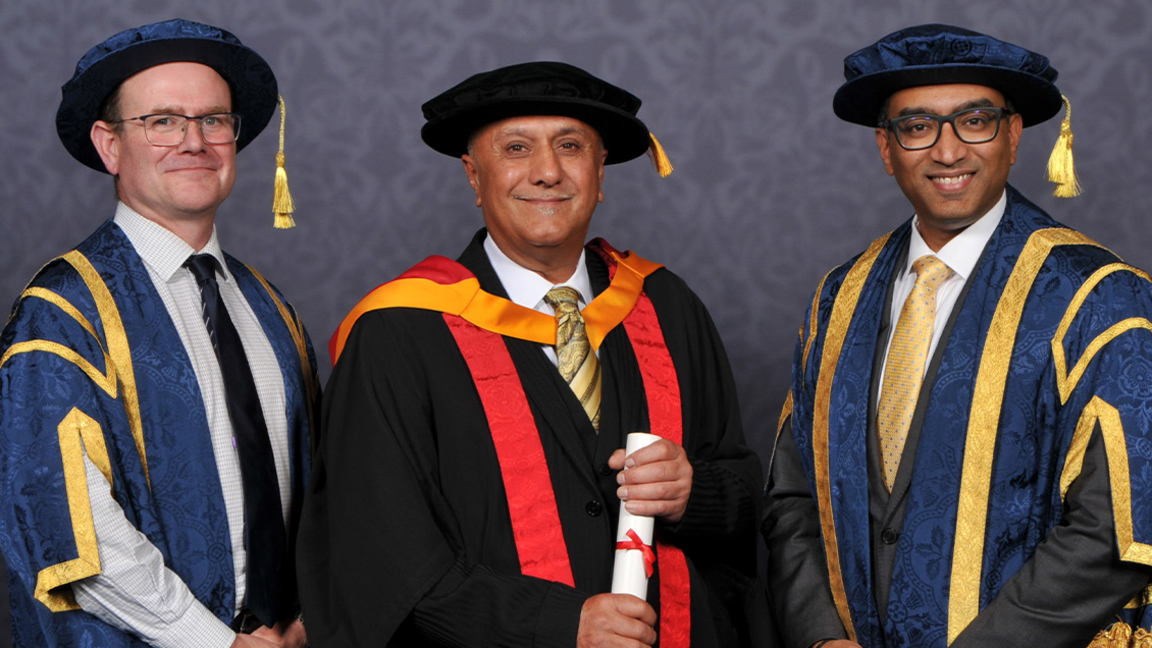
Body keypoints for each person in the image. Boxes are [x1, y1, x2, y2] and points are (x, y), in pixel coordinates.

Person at [296, 61, 769, 647]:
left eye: (570, 147)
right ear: (473, 176)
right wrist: (556, 622)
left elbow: (747, 493)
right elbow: (380, 552)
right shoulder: (399, 332)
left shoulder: (665, 306)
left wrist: (693, 494)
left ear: (600, 175)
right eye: (516, 148)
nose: (547, 172)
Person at [762, 23, 1152, 648]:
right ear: (886, 148)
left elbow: (1115, 528)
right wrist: (819, 634)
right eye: (917, 126)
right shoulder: (839, 298)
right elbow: (793, 494)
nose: (948, 151)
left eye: (975, 120)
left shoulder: (1099, 297)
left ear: (1015, 135)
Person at [0, 18, 319, 648]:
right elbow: (70, 527)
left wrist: (310, 619)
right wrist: (217, 641)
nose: (194, 141)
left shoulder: (269, 309)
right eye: (163, 121)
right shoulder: (65, 309)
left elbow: (318, 490)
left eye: (213, 121)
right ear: (110, 145)